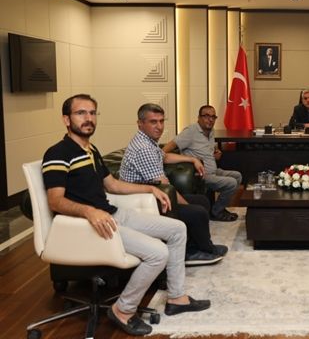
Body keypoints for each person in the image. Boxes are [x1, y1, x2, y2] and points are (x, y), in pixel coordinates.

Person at [42, 94, 210, 336]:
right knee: (158, 253)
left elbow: (113, 185)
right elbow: (55, 201)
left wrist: (150, 189)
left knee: (177, 229)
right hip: (88, 226)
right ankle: (123, 309)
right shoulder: (58, 153)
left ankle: (176, 298)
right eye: (81, 113)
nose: (88, 118)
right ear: (66, 119)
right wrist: (89, 211)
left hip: (112, 214)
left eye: (92, 113)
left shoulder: (90, 150)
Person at [119, 103, 228, 265]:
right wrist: (186, 205)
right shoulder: (143, 148)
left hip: (154, 197)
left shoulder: (148, 141)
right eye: (153, 122)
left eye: (161, 121)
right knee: (196, 211)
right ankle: (191, 253)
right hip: (143, 205)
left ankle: (198, 246)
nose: (159, 127)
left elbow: (165, 157)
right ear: (140, 123)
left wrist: (192, 159)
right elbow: (165, 187)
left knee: (202, 201)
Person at [163, 105, 242, 222]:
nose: (210, 119)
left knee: (237, 176)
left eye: (213, 117)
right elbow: (166, 149)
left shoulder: (211, 131)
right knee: (231, 183)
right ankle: (217, 212)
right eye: (206, 116)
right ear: (199, 118)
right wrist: (190, 159)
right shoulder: (190, 132)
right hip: (200, 174)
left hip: (213, 170)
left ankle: (217, 207)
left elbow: (209, 149)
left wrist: (216, 153)